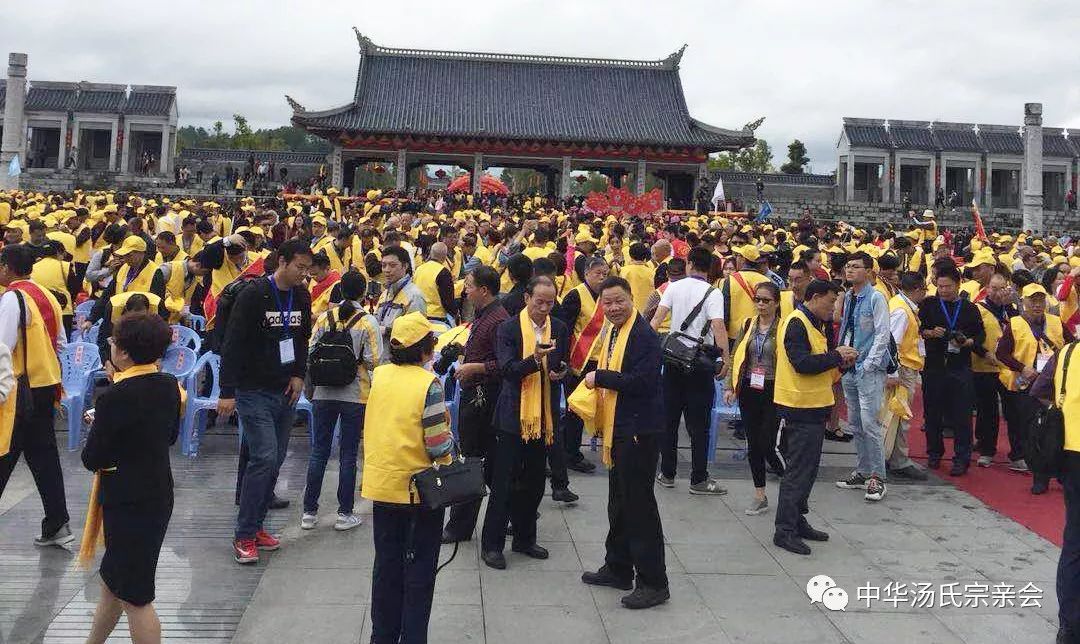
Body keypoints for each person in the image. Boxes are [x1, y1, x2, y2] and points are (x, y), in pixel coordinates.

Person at [81, 312, 180, 644]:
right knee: (114, 581)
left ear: (122, 353)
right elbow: (167, 436)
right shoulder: (169, 386)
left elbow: (92, 458)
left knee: (136, 597)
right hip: (156, 493)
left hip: (127, 501)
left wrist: (99, 425)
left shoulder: (114, 397)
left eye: (112, 341)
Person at [219, 239, 313, 564]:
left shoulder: (301, 295)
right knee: (264, 456)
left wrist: (300, 374)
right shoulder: (254, 294)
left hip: (285, 389)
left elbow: (302, 338)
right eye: (299, 267)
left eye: (307, 269)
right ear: (282, 261)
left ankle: (257, 525)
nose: (303, 274)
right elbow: (233, 343)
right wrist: (226, 391)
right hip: (252, 389)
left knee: (274, 459)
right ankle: (243, 535)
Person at [361, 312, 453, 644]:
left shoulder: (380, 375)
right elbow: (438, 444)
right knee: (419, 571)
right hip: (420, 491)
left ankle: (381, 636)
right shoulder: (428, 385)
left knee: (386, 566)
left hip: (383, 486)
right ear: (426, 348)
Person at [577, 276, 668, 609]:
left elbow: (643, 382)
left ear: (632, 299)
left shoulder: (643, 335)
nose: (614, 308)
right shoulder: (614, 330)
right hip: (620, 428)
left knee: (639, 506)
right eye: (608, 302)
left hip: (639, 431)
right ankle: (617, 567)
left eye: (620, 301)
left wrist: (600, 378)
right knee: (619, 501)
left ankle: (654, 582)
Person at [481, 276, 569, 569]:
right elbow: (507, 370)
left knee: (533, 483)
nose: (544, 308)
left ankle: (524, 538)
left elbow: (560, 363)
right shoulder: (508, 328)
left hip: (543, 415)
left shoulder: (559, 327)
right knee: (503, 482)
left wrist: (560, 371)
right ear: (526, 299)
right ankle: (492, 544)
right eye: (539, 302)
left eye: (549, 302)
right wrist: (533, 360)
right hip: (512, 415)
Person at [772, 280, 855, 555]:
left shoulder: (814, 323)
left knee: (808, 470)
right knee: (797, 471)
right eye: (831, 302)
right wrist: (835, 356)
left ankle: (797, 519)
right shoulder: (797, 323)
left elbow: (819, 366)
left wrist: (840, 363)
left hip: (815, 405)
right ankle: (784, 530)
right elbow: (802, 364)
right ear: (816, 297)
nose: (833, 308)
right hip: (799, 407)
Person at [0, 244, 70, 546]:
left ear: (7, 267)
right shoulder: (49, 297)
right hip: (45, 386)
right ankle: (57, 523)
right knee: (43, 457)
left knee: (4, 452)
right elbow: (62, 341)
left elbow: (2, 347)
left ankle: (58, 524)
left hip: (19, 389)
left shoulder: (12, 298)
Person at [301, 271, 379, 531]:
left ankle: (309, 513)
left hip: (323, 393)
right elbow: (375, 360)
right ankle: (344, 514)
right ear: (363, 293)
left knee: (319, 451)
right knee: (348, 454)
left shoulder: (325, 317)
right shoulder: (367, 322)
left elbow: (311, 350)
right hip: (355, 394)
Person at [650, 246, 729, 495]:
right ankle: (698, 478)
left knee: (669, 420)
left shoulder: (673, 287)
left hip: (673, 361)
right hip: (700, 364)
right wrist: (725, 360)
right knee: (699, 425)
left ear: (690, 264)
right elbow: (718, 327)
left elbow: (655, 321)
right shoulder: (713, 293)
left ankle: (668, 473)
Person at [442, 266, 509, 543]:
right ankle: (511, 514)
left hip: (483, 399)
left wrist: (475, 367)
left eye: (469, 286)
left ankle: (460, 526)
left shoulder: (498, 320)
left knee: (472, 460)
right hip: (476, 395)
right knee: (488, 464)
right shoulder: (485, 315)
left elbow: (503, 364)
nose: (464, 290)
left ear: (483, 290)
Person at [996, 283, 1072, 494]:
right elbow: (1002, 353)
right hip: (1026, 386)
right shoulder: (1015, 323)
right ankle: (1040, 475)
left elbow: (1072, 346)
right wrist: (1022, 368)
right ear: (1023, 302)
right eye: (1032, 300)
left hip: (1054, 387)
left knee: (1059, 431)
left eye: (1041, 300)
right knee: (1033, 431)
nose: (1037, 305)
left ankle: (1061, 472)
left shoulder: (1057, 322)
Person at [1029, 342, 1080, 644]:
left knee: (1074, 542)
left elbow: (1039, 390)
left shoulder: (1068, 352)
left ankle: (1070, 626)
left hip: (1071, 454)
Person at [835, 251, 892, 502]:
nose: (850, 270)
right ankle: (863, 470)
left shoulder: (876, 298)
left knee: (870, 424)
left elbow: (883, 334)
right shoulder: (849, 296)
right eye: (848, 266)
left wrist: (869, 363)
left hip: (869, 368)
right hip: (849, 366)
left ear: (869, 271)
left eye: (856, 266)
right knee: (856, 423)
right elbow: (846, 327)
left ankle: (878, 477)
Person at [918, 262, 985, 476]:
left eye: (948, 286)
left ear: (958, 285)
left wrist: (968, 342)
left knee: (962, 415)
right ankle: (934, 453)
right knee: (932, 413)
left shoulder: (969, 308)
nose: (944, 290)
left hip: (960, 366)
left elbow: (980, 335)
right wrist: (929, 333)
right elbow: (917, 330)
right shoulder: (929, 305)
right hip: (934, 366)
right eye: (940, 286)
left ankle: (962, 458)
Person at [725, 281, 784, 515]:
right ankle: (760, 494)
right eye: (757, 299)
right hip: (749, 388)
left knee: (767, 443)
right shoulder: (748, 325)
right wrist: (730, 386)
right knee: (753, 444)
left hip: (774, 389)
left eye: (766, 300)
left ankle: (788, 479)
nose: (760, 304)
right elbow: (736, 354)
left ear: (777, 302)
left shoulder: (783, 327)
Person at [555, 257, 609, 474]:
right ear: (587, 273)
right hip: (578, 362)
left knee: (590, 408)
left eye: (605, 273)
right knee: (575, 410)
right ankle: (570, 453)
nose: (602, 277)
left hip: (599, 360)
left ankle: (571, 449)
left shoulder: (605, 296)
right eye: (598, 273)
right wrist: (564, 361)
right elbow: (564, 330)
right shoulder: (576, 295)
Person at [884, 271, 929, 480]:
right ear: (918, 290)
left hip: (903, 366)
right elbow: (892, 343)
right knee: (901, 415)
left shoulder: (901, 306)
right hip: (902, 369)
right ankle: (898, 460)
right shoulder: (902, 311)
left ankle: (892, 455)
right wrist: (894, 372)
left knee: (896, 415)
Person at [973, 272, 1017, 467]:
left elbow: (1019, 328)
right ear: (987, 288)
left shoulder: (1011, 309)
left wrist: (1009, 306)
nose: (998, 293)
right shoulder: (978, 309)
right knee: (987, 410)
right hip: (985, 366)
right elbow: (972, 336)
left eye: (1002, 288)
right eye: (994, 288)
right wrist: (984, 353)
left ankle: (1018, 453)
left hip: (1009, 368)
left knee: (1013, 411)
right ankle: (986, 449)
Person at [374, 246, 425, 355]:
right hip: (382, 358)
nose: (387, 270)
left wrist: (387, 331)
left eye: (392, 265)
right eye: (384, 265)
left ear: (405, 266)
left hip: (401, 361)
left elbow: (415, 332)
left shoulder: (414, 296)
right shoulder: (385, 293)